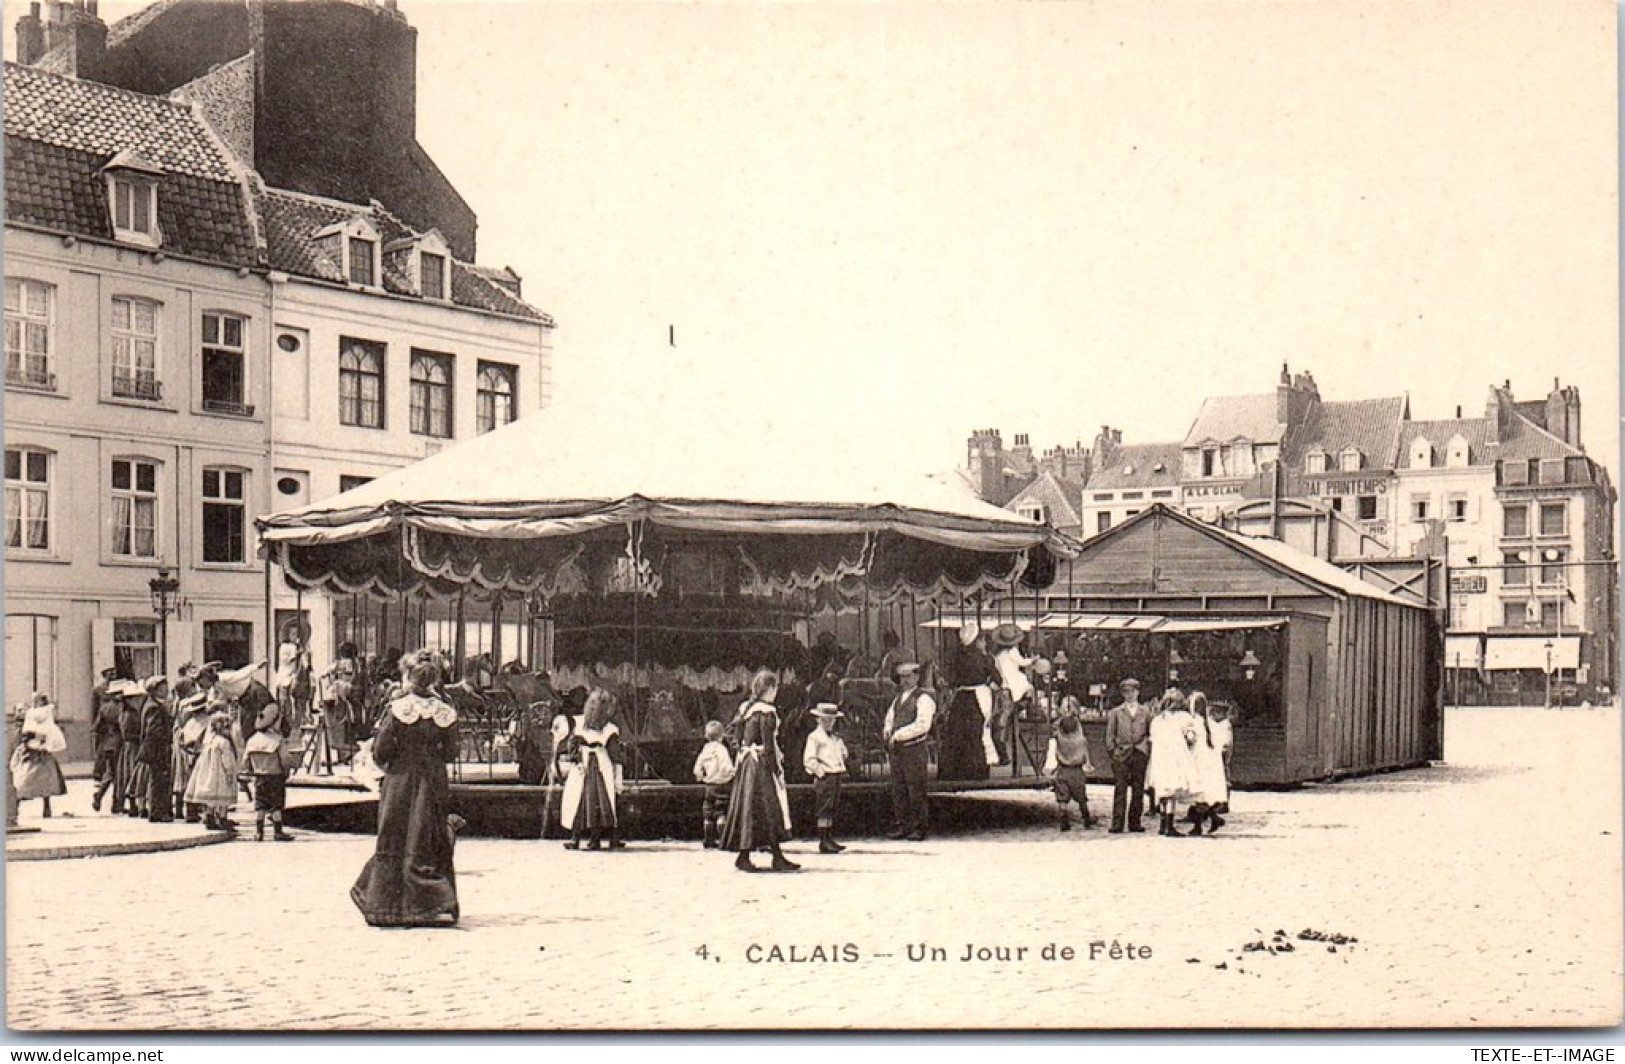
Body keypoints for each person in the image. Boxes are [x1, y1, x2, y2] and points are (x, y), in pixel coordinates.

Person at [351, 661, 462, 928]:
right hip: (432, 779)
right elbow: (451, 752)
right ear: (434, 681)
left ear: (410, 679)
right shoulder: (445, 712)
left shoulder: (399, 709)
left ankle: (385, 904)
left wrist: (391, 766)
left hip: (401, 778)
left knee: (395, 833)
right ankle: (431, 903)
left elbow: (381, 750)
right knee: (427, 833)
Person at [720, 669, 798, 873]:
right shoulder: (766, 712)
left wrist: (742, 750)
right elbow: (769, 743)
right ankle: (775, 857)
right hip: (761, 765)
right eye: (775, 689)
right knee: (769, 809)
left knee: (750, 809)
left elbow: (730, 734)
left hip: (747, 765)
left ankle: (748, 856)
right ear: (770, 689)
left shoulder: (745, 709)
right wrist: (776, 769)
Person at [559, 688, 625, 851]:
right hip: (589, 765)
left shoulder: (609, 729)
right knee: (583, 801)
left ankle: (588, 839)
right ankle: (582, 839)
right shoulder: (584, 725)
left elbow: (573, 744)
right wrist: (576, 760)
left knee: (595, 801)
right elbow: (614, 753)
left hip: (596, 765)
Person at [882, 661, 935, 841]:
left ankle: (919, 827)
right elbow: (890, 717)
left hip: (914, 749)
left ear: (917, 677)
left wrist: (899, 735)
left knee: (916, 789)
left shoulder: (923, 698)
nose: (904, 680)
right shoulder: (898, 698)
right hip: (898, 750)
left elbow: (922, 725)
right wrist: (888, 730)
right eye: (902, 677)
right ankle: (903, 825)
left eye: (908, 676)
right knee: (899, 789)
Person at [938, 621, 997, 781]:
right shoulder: (984, 658)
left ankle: (954, 771)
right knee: (977, 734)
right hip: (978, 698)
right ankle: (977, 771)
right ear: (977, 640)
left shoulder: (957, 657)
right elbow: (996, 678)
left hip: (961, 697)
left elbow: (952, 680)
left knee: (956, 734)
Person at [1146, 688, 1200, 837]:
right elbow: (1191, 737)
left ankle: (1163, 825)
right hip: (1175, 757)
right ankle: (1169, 826)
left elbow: (1152, 739)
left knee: (1164, 791)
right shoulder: (1183, 717)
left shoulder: (1157, 720)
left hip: (1160, 758)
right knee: (1172, 790)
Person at [244, 703, 297, 842]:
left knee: (260, 804)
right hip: (275, 776)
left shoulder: (252, 740)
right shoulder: (277, 740)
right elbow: (285, 759)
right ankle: (278, 831)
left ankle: (258, 832)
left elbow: (245, 761)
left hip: (259, 776)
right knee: (276, 805)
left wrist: (251, 770)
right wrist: (291, 766)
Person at [1104, 678, 1151, 833]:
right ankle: (1117, 823)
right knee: (1120, 789)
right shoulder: (1116, 712)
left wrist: (1145, 749)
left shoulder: (1145, 712)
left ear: (1138, 692)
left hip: (1139, 753)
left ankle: (1135, 822)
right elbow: (1110, 735)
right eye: (1126, 692)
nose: (1129, 695)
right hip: (1122, 754)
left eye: (1132, 691)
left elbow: (1150, 733)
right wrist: (1114, 752)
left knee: (1138, 790)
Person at [803, 703, 849, 854]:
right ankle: (823, 840)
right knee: (824, 808)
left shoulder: (835, 738)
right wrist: (820, 772)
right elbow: (809, 759)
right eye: (825, 719)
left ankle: (829, 838)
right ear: (818, 719)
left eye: (831, 719)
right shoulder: (815, 737)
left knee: (832, 807)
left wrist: (843, 755)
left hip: (836, 774)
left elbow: (842, 753)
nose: (828, 722)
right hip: (825, 776)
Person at [10, 694, 67, 818]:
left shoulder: (32, 715)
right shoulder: (47, 715)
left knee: (23, 779)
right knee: (45, 780)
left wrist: (29, 739)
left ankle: (17, 805)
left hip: (32, 752)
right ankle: (46, 808)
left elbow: (28, 732)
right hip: (42, 752)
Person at [185, 709, 240, 831]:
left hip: (209, 773)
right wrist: (230, 772)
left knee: (211, 799)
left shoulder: (209, 741)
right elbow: (227, 760)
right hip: (221, 774)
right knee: (223, 799)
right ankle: (222, 818)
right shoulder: (224, 743)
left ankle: (209, 817)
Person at [1044, 708, 1096, 831]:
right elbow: (1086, 756)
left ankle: (1063, 818)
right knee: (1081, 797)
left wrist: (1063, 717)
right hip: (1077, 772)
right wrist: (1074, 717)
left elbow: (1054, 726)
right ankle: (1086, 818)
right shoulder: (1081, 740)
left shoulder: (1060, 739)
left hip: (1062, 770)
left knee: (1062, 797)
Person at [1185, 692, 1229, 835]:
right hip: (1208, 762)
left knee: (1198, 794)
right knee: (1203, 795)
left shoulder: (1194, 722)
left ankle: (1200, 825)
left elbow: (1190, 739)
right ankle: (1213, 818)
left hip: (1198, 759)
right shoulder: (1211, 723)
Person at [988, 624, 1032, 765]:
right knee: (1027, 688)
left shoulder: (998, 655)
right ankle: (1023, 706)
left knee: (999, 720)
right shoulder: (1013, 651)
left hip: (1003, 686)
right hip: (1012, 683)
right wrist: (1033, 660)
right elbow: (1022, 662)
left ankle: (1001, 752)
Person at [692, 720, 735, 849]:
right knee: (721, 812)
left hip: (709, 785)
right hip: (722, 784)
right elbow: (725, 766)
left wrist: (701, 776)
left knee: (708, 812)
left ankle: (708, 839)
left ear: (706, 736)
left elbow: (697, 767)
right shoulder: (721, 750)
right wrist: (732, 773)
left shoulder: (705, 749)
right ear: (722, 736)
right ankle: (723, 840)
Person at [137, 676, 174, 823]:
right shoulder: (153, 707)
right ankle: (158, 812)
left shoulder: (152, 704)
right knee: (158, 781)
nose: (166, 690)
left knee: (158, 780)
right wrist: (167, 738)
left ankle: (158, 811)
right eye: (163, 688)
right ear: (154, 690)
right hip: (156, 749)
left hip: (155, 749)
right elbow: (153, 730)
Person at [171, 688, 211, 822]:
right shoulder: (207, 722)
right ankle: (205, 814)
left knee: (187, 783)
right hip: (200, 755)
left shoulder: (189, 723)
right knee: (202, 784)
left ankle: (187, 811)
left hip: (186, 754)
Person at [89, 672, 125, 813]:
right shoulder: (121, 708)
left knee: (110, 773)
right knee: (119, 774)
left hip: (107, 744)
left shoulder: (105, 708)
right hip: (119, 743)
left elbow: (97, 726)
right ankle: (116, 804)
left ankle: (100, 796)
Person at [116, 680, 150, 818]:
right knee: (133, 775)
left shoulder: (127, 712)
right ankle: (134, 806)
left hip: (129, 747)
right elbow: (129, 732)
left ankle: (133, 805)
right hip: (133, 746)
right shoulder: (130, 714)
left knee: (129, 775)